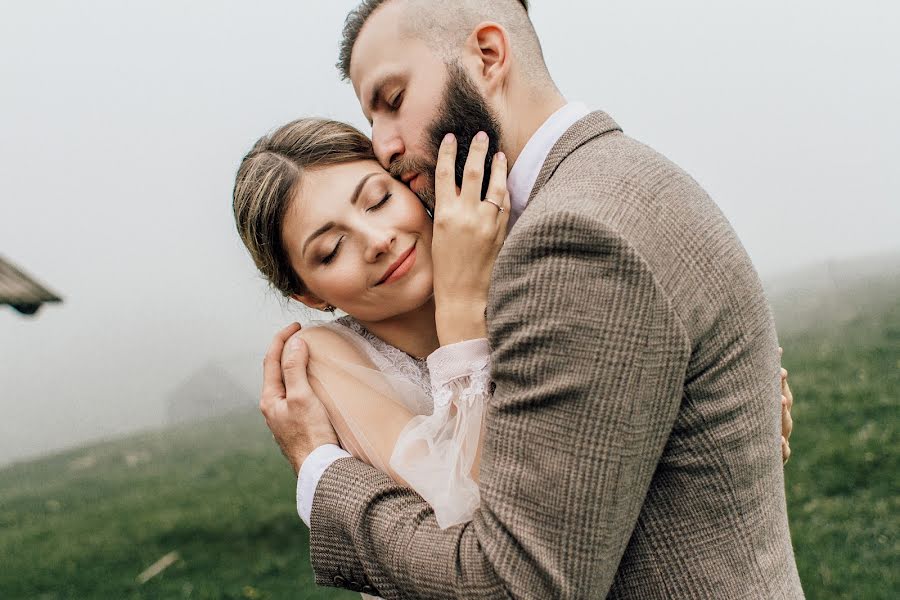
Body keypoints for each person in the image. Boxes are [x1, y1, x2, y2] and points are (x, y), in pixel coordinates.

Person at [254, 0, 803, 597]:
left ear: (488, 55)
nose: (383, 144)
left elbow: (517, 582)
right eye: (330, 249)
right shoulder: (619, 175)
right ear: (304, 292)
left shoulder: (570, 240)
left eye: (393, 100)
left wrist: (321, 473)